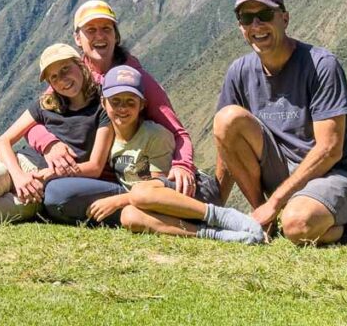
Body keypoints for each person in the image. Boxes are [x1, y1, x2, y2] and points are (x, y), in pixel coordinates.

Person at [213, 0, 347, 245]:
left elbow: (330, 150)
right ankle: (264, 221)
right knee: (226, 118)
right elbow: (226, 142)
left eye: (265, 15)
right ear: (240, 26)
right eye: (247, 18)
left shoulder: (321, 66)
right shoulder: (240, 72)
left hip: (335, 174)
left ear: (284, 19)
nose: (256, 25)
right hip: (283, 172)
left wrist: (275, 202)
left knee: (297, 225)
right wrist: (215, 205)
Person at [35, 0, 219, 223]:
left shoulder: (137, 80)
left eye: (106, 29)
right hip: (91, 175)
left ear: (116, 35)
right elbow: (37, 116)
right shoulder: (71, 75)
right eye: (90, 30)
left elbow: (177, 132)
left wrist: (182, 165)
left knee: (58, 196)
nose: (99, 36)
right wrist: (49, 143)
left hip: (133, 178)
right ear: (77, 39)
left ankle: (149, 208)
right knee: (52, 191)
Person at [64, 65, 264, 244]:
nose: (122, 108)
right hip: (158, 206)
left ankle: (221, 216)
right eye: (115, 101)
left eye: (130, 102)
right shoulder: (107, 137)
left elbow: (156, 189)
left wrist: (116, 200)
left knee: (141, 193)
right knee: (129, 217)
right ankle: (212, 234)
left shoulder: (155, 135)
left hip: (192, 192)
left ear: (142, 104)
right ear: (103, 102)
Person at [0, 43, 113, 226]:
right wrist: (19, 177)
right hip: (20, 165)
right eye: (54, 77)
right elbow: (3, 141)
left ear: (80, 65)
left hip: (43, 186)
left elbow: (95, 167)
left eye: (65, 69)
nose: (62, 79)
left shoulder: (102, 107)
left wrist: (48, 175)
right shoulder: (46, 104)